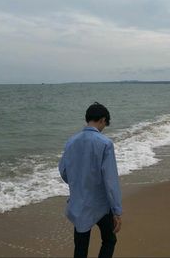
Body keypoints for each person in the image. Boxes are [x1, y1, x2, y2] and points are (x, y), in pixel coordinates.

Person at [59, 102, 122, 258]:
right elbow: (110, 180)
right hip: (101, 204)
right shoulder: (105, 143)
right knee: (109, 240)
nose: (103, 128)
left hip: (79, 203)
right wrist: (117, 211)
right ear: (102, 120)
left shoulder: (71, 141)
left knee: (80, 248)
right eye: (104, 124)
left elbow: (63, 171)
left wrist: (78, 183)